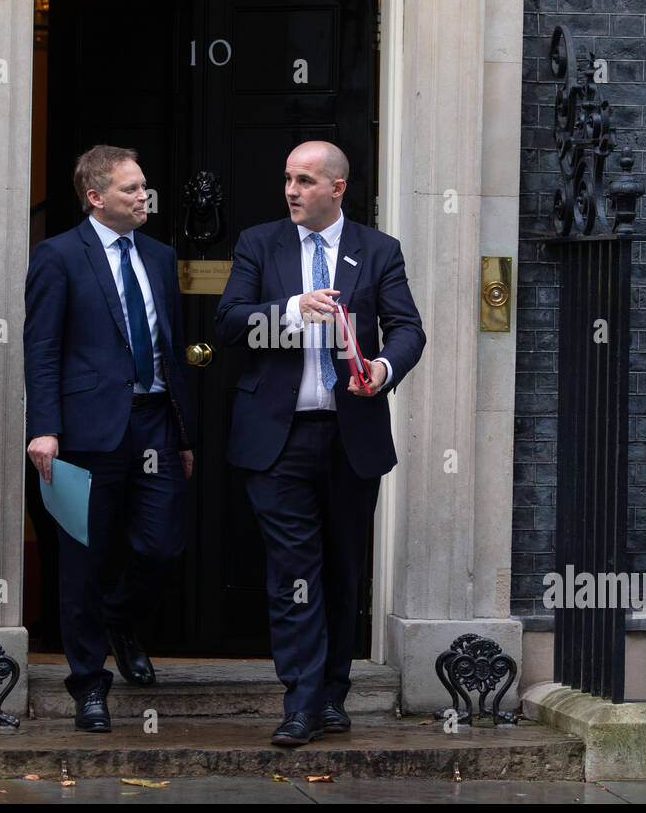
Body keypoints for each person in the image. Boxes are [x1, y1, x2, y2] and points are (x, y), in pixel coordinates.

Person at [214, 140, 425, 746]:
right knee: (293, 573)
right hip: (277, 442)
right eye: (287, 179)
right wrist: (287, 310)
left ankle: (333, 695)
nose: (290, 190)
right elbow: (228, 323)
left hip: (349, 438)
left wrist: (384, 369)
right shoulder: (261, 243)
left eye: (304, 180)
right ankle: (301, 703)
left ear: (337, 187)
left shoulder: (377, 251)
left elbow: (408, 327)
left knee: (341, 571)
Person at [24, 145, 195, 733]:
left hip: (153, 423)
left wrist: (185, 432)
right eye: (130, 188)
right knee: (84, 561)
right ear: (96, 197)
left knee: (162, 545)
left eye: (143, 186)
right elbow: (42, 348)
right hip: (84, 432)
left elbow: (171, 351)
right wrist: (43, 428)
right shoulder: (58, 257)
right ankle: (88, 686)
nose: (143, 196)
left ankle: (121, 620)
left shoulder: (160, 255)